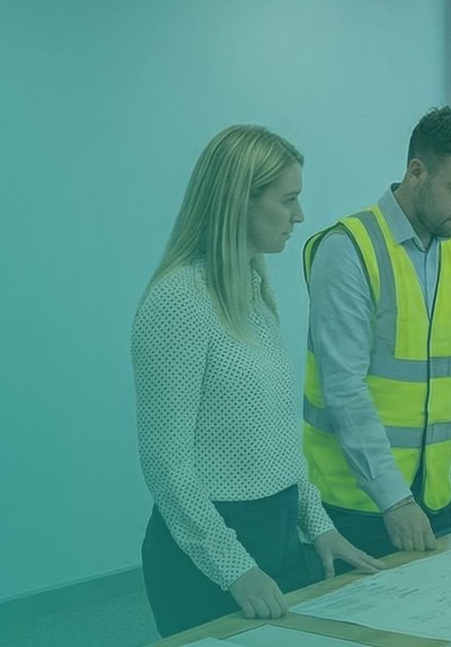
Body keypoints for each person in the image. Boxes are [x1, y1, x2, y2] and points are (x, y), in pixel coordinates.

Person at [133, 126, 384, 636]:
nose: (300, 215)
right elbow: (166, 466)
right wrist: (235, 568)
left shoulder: (253, 291)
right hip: (206, 555)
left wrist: (320, 527)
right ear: (238, 203)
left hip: (278, 536)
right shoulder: (177, 301)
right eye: (288, 199)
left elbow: (276, 443)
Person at [302, 107, 451, 560]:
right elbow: (344, 391)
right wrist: (394, 498)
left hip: (436, 497)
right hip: (354, 504)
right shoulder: (348, 250)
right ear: (417, 171)